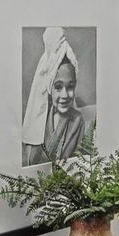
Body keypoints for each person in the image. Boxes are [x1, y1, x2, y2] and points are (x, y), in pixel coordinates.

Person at [21, 27, 93, 165]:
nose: (65, 95)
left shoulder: (78, 121)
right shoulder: (40, 122)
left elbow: (81, 163)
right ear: (50, 88)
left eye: (70, 86)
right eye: (58, 87)